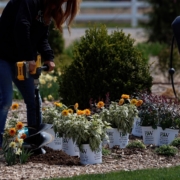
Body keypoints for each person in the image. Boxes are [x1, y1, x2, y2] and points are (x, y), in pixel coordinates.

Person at [0, 0, 81, 149]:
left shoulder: (47, 8)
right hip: (2, 56)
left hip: (20, 60)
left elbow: (42, 37)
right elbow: (21, 26)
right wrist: (29, 57)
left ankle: (33, 141)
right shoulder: (30, 1)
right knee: (5, 100)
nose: (59, 5)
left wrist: (49, 57)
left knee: (34, 100)